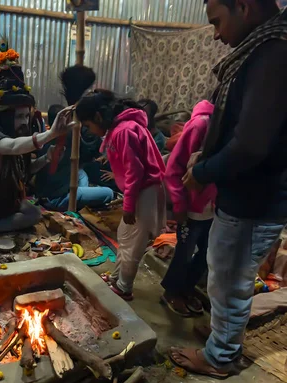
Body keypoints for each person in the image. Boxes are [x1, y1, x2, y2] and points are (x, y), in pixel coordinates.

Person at [170, 0, 287, 379]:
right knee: (228, 276)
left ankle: (221, 357)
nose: (217, 35)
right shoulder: (274, 47)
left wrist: (203, 172)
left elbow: (250, 145)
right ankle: (224, 338)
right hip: (256, 193)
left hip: (255, 198)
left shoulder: (277, 53)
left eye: (217, 22)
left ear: (242, 6)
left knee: (229, 280)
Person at [0, 47, 72, 234]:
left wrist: (46, 159)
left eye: (26, 116)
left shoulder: (19, 137)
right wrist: (50, 134)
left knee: (33, 213)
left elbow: (24, 171)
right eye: (19, 117)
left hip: (4, 200)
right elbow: (13, 147)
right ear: (6, 117)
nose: (24, 122)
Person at [74, 89, 166, 300]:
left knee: (133, 243)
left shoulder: (123, 130)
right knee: (125, 237)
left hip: (144, 190)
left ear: (98, 117)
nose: (89, 130)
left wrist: (129, 205)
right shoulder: (121, 128)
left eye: (88, 125)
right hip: (139, 189)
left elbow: (135, 171)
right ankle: (117, 278)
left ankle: (124, 287)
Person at [161, 100, 215, 316]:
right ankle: (171, 291)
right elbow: (173, 169)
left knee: (207, 251)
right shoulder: (200, 126)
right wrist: (179, 205)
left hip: (211, 206)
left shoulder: (229, 126)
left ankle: (186, 288)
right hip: (191, 208)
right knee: (184, 251)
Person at [35, 104, 114, 211]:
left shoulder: (43, 136)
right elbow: (88, 153)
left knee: (81, 173)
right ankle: (81, 198)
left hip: (44, 195)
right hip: (58, 199)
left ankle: (82, 195)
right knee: (108, 193)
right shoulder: (69, 136)